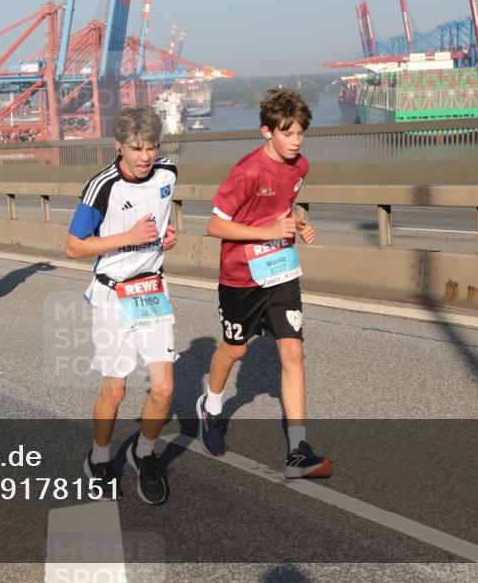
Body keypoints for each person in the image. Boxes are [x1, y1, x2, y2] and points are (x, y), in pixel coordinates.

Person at [197, 88, 331, 479]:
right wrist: (267, 229)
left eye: (300, 134)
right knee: (235, 351)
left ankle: (297, 449)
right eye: (287, 134)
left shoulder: (300, 167)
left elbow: (283, 207)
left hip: (281, 272)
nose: (295, 142)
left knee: (292, 354)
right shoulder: (249, 171)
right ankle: (212, 406)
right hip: (241, 276)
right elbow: (214, 225)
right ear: (266, 132)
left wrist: (299, 223)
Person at [65, 107, 178, 505]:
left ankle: (143, 453)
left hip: (150, 291)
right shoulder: (102, 186)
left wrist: (167, 236)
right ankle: (98, 458)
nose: (145, 156)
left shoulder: (168, 173)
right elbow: (74, 246)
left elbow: (163, 217)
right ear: (119, 146)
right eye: (136, 148)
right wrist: (127, 237)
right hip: (113, 294)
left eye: (151, 147)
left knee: (164, 389)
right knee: (115, 391)